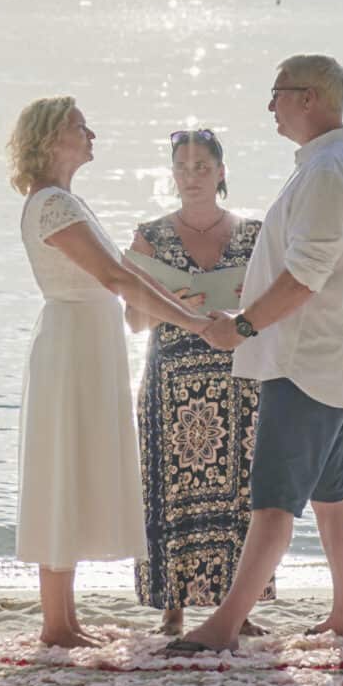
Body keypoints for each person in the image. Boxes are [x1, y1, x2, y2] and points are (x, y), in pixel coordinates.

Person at [173, 55, 343, 654]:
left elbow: (307, 275)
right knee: (330, 495)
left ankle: (224, 624)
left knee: (272, 501)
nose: (270, 106)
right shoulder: (332, 162)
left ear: (309, 98)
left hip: (305, 360)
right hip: (322, 355)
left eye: (277, 94)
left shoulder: (330, 170)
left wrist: (243, 325)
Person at [10, 96, 216, 648]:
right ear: (52, 138)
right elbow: (116, 280)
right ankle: (56, 623)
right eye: (81, 126)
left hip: (88, 345)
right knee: (62, 469)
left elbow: (130, 274)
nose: (91, 132)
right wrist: (195, 325)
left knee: (75, 468)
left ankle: (67, 619)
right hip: (71, 348)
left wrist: (183, 304)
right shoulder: (53, 204)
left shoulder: (67, 201)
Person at [126, 128, 266, 635]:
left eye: (202, 167)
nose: (192, 177)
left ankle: (237, 607)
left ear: (221, 171)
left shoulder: (253, 234)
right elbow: (133, 322)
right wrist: (169, 307)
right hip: (171, 380)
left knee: (240, 493)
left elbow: (272, 310)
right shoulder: (151, 236)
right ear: (172, 174)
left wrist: (240, 311)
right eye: (183, 168)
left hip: (237, 378)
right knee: (171, 491)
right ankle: (173, 607)